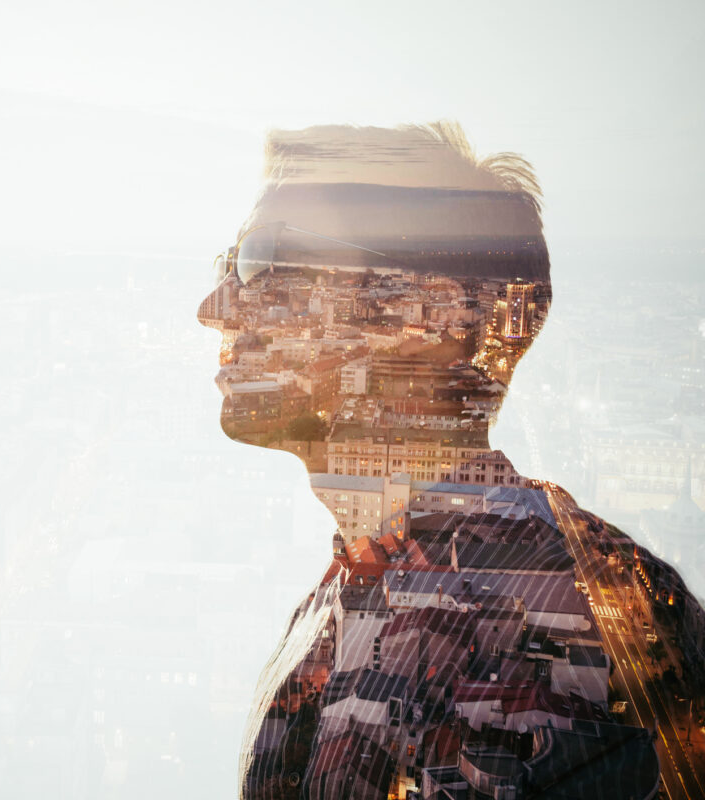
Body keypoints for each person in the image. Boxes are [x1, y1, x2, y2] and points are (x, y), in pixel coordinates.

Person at [197, 123, 705, 800]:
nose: (217, 308)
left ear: (433, 314)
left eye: (263, 262)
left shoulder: (550, 620)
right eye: (229, 266)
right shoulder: (364, 588)